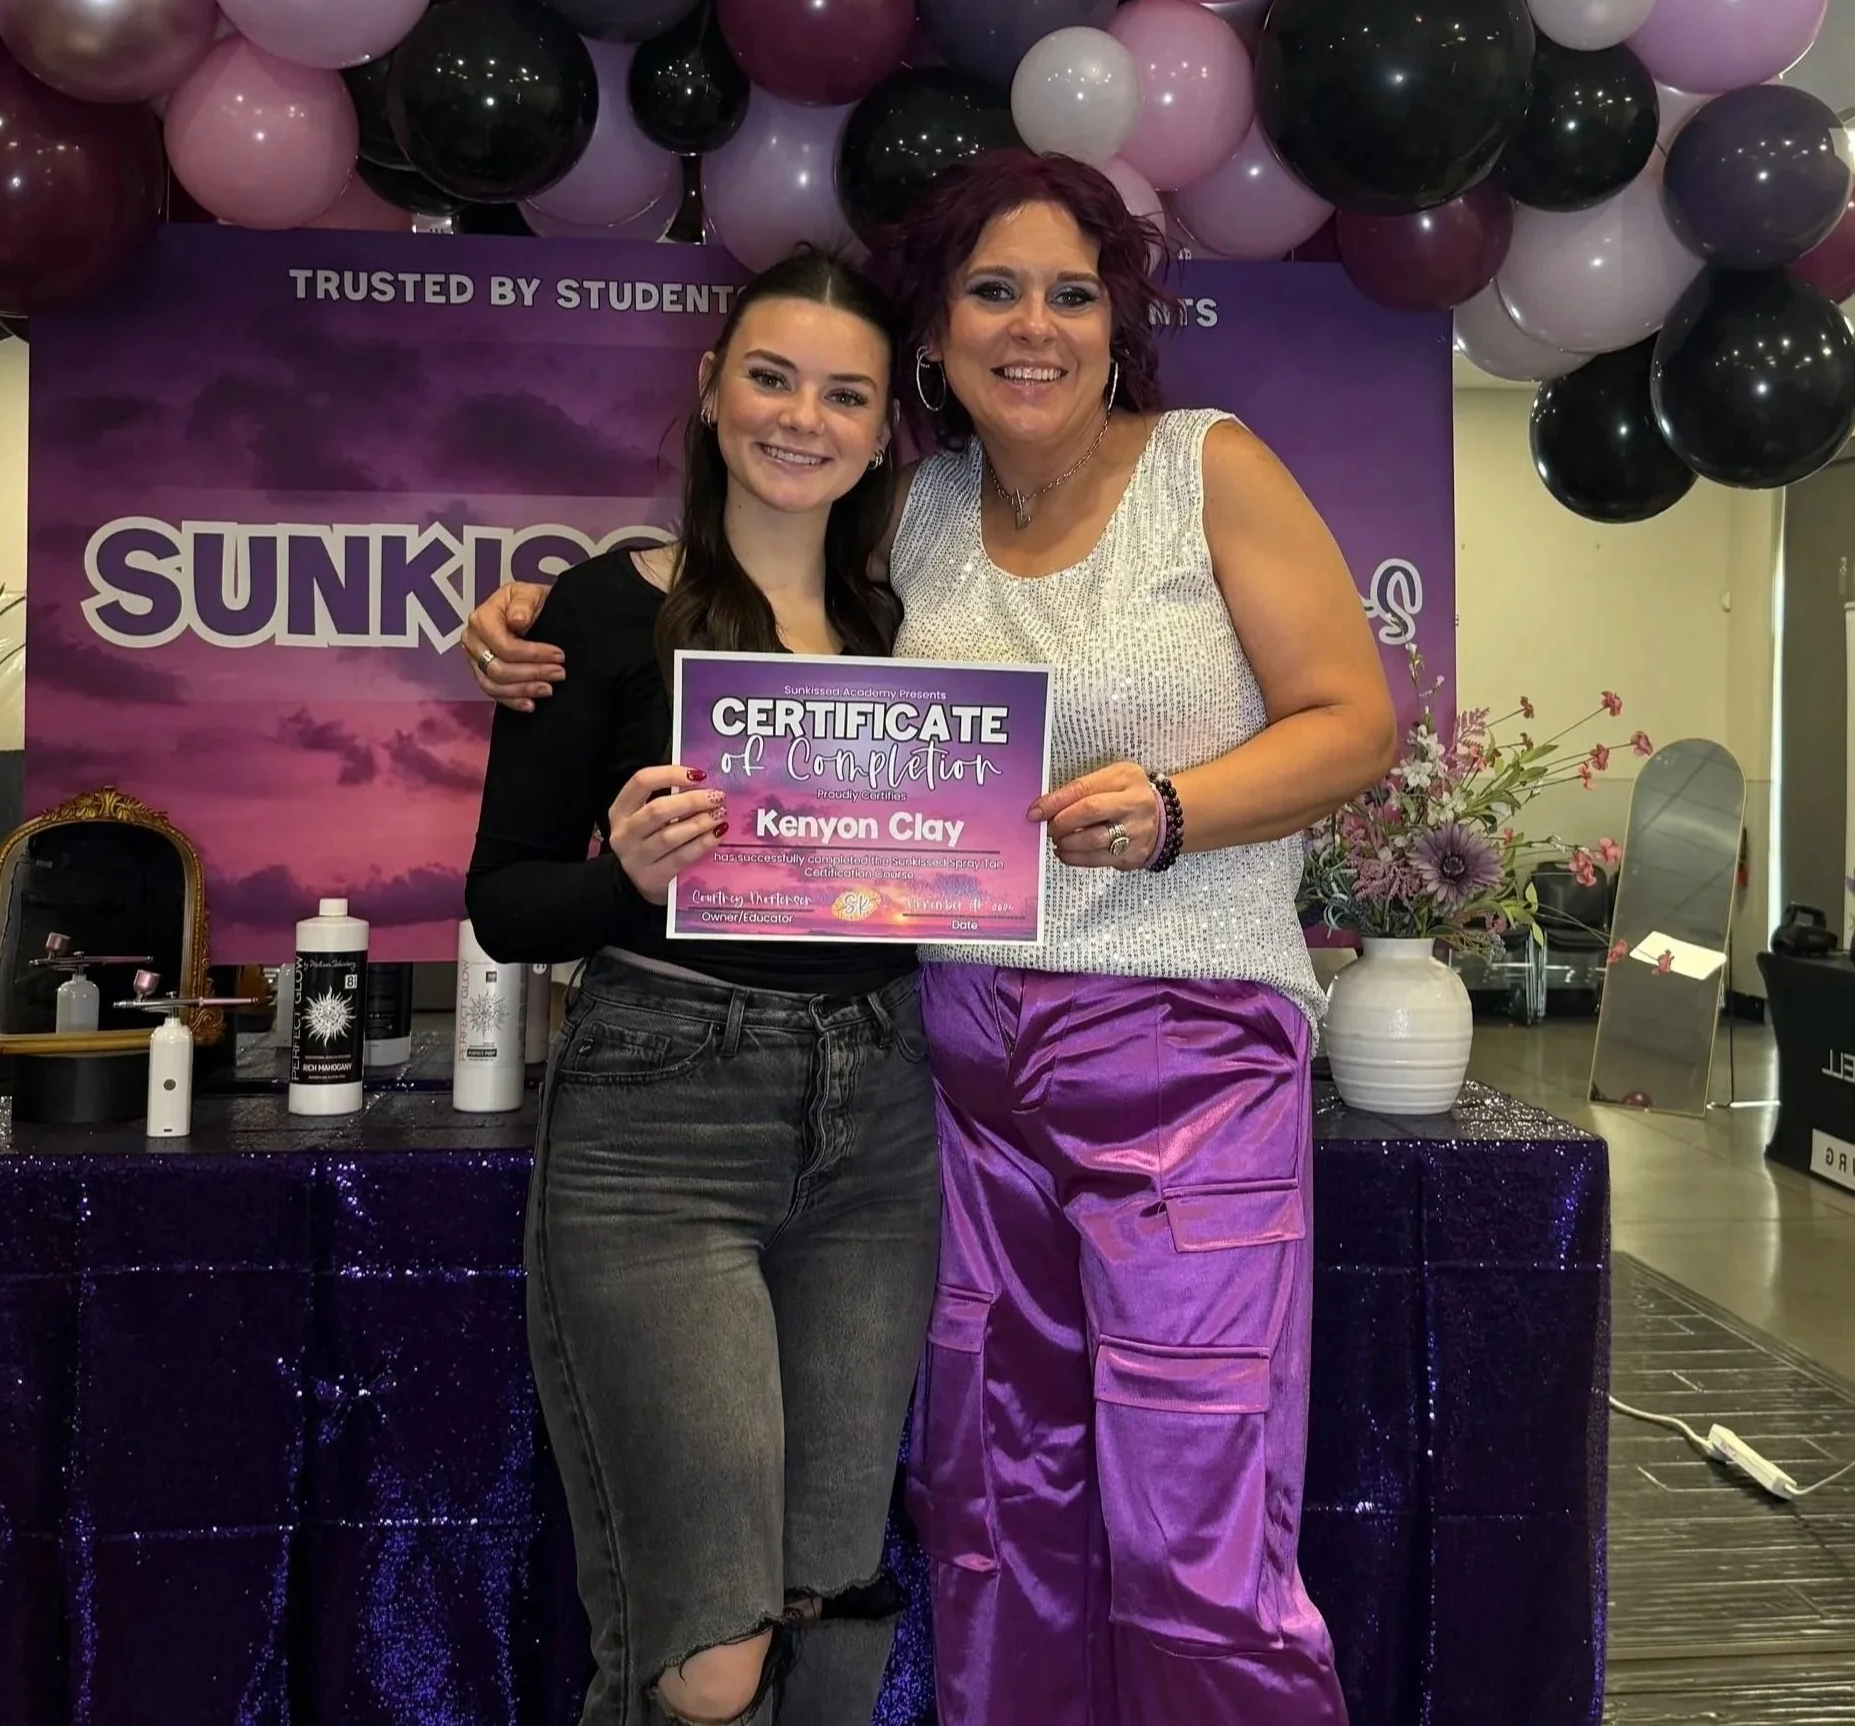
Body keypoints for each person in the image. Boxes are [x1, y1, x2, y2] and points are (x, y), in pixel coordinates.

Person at [467, 150, 1397, 1726]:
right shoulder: (920, 511)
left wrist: (1177, 805)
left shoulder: (1208, 464)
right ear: (936, 335)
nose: (1032, 325)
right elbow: (744, 605)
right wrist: (529, 616)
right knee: (995, 1510)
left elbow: (1355, 721)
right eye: (991, 290)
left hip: (1184, 1054)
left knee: (1192, 1519)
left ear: (1117, 321)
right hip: (955, 1072)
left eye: (1070, 293)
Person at [466, 249, 939, 1726]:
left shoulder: (909, 631)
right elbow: (503, 903)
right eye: (772, 377)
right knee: (709, 1648)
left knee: (831, 1592)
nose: (802, 417)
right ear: (711, 387)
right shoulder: (600, 611)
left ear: (883, 431)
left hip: (880, 1126)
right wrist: (623, 876)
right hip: (660, 1122)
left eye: (845, 394)